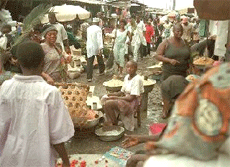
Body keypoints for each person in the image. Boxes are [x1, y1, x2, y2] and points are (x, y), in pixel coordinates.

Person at [0, 41, 74, 167]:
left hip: (10, 157)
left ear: (17, 62)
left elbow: (2, 126)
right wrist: (66, 161)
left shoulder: (6, 87)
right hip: (39, 159)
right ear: (43, 62)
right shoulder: (49, 92)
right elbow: (57, 136)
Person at [103, 61, 144, 131]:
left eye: (132, 67)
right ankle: (112, 120)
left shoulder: (137, 79)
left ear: (136, 68)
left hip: (133, 102)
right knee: (104, 99)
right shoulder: (126, 77)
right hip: (126, 97)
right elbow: (121, 92)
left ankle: (114, 123)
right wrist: (110, 94)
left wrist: (115, 97)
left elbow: (131, 98)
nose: (129, 69)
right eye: (127, 67)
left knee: (108, 103)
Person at [86, 18, 105, 82]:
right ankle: (101, 71)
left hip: (89, 46)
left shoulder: (88, 28)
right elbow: (99, 39)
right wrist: (101, 47)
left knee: (89, 61)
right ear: (97, 23)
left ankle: (89, 77)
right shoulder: (98, 29)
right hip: (96, 46)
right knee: (99, 58)